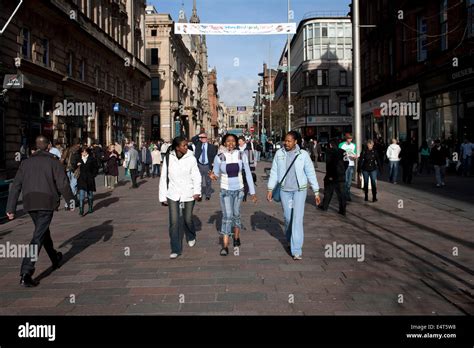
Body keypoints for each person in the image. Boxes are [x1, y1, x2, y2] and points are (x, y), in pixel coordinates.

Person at [6, 135, 75, 287]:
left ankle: (55, 258)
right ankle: (26, 272)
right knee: (38, 237)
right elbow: (63, 183)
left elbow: (16, 185)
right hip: (46, 202)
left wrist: (10, 208)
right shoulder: (53, 162)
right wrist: (70, 201)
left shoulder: (25, 163)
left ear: (36, 147)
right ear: (49, 146)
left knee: (41, 231)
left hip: (30, 203)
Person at [267, 131, 320, 260]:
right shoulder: (279, 154)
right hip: (285, 191)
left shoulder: (303, 155)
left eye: (289, 141)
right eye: (285, 140)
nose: (286, 143)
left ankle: (296, 249)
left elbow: (310, 173)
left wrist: (316, 191)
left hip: (299, 191)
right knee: (288, 218)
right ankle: (290, 238)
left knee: (297, 218)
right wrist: (270, 188)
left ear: (296, 141)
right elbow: (274, 171)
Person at [209, 134, 257, 256]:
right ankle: (225, 246)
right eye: (228, 141)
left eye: (233, 141)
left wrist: (252, 192)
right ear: (224, 143)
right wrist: (213, 176)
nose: (230, 143)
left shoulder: (242, 155)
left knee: (236, 214)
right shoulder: (219, 157)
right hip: (225, 190)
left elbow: (248, 174)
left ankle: (236, 237)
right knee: (227, 216)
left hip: (239, 191)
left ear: (236, 143)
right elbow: (215, 174)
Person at [159, 136, 201, 259]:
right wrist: (163, 196)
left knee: (187, 219)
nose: (186, 147)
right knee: (174, 222)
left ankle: (191, 235)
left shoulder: (191, 158)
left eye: (186, 145)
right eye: (184, 145)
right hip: (172, 193)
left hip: (189, 192)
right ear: (177, 147)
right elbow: (164, 177)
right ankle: (175, 249)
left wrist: (197, 191)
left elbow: (196, 176)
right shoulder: (168, 158)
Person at [319, 139, 347, 214]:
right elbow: (346, 162)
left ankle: (324, 206)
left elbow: (329, 164)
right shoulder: (343, 151)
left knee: (328, 192)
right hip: (341, 176)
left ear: (331, 144)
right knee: (341, 194)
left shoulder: (329, 152)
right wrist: (343, 170)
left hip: (332, 176)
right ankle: (342, 209)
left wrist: (329, 175)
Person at [74, 146, 98, 216]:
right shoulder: (78, 159)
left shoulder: (92, 159)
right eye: (82, 151)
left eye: (85, 151)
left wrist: (93, 175)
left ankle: (90, 207)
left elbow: (96, 168)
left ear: (87, 152)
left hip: (90, 179)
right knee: (81, 195)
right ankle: (81, 210)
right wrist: (76, 165)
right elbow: (74, 168)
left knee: (90, 195)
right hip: (81, 179)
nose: (84, 153)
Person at [194, 132, 217, 201]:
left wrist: (213, 164)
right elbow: (193, 139)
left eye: (204, 138)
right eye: (202, 138)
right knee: (199, 181)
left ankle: (207, 195)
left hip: (207, 165)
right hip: (199, 165)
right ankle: (199, 194)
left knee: (208, 181)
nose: (203, 139)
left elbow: (214, 156)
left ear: (207, 139)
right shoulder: (198, 145)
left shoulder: (211, 147)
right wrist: (199, 135)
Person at [338, 133, 357, 201]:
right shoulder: (341, 145)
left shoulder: (354, 145)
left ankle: (347, 193)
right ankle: (346, 195)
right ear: (346, 138)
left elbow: (355, 154)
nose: (350, 140)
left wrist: (355, 157)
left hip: (351, 164)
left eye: (351, 139)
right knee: (345, 181)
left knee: (349, 182)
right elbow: (338, 154)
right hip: (344, 165)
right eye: (349, 139)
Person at [238, 136, 257, 202]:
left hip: (247, 168)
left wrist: (252, 168)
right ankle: (241, 193)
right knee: (241, 182)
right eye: (239, 141)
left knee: (246, 182)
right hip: (239, 169)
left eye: (240, 141)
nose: (239, 142)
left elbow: (251, 158)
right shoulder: (237, 149)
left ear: (243, 141)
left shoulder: (248, 149)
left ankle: (244, 195)